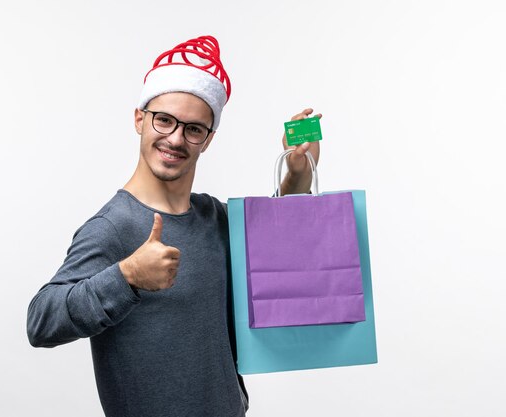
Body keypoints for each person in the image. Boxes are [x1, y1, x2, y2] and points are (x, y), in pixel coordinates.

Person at [27, 35, 321, 417]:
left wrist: (297, 174)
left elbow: (280, 252)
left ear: (208, 140)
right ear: (139, 119)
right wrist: (127, 275)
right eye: (163, 120)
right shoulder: (113, 226)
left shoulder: (214, 218)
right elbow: (41, 321)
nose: (175, 138)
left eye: (193, 129)